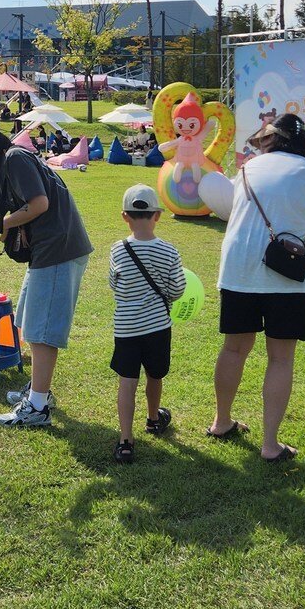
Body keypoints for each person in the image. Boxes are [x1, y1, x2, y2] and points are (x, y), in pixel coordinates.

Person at [210, 113, 305, 463]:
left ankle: (221, 421)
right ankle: (270, 445)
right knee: (280, 357)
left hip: (237, 269)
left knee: (234, 349)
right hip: (285, 276)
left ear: (271, 139)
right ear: (303, 144)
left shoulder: (250, 168)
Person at [0, 115, 93, 427]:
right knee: (28, 321)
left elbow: (38, 203)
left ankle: (38, 408)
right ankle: (39, 393)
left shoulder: (15, 158)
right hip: (46, 252)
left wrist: (8, 222)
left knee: (42, 331)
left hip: (59, 247)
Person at [107, 185, 186, 463]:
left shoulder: (118, 250)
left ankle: (126, 440)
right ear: (158, 216)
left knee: (127, 382)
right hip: (157, 327)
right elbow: (177, 289)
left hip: (126, 328)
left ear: (124, 216)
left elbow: (114, 285)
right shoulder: (169, 251)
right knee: (155, 375)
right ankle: (153, 419)